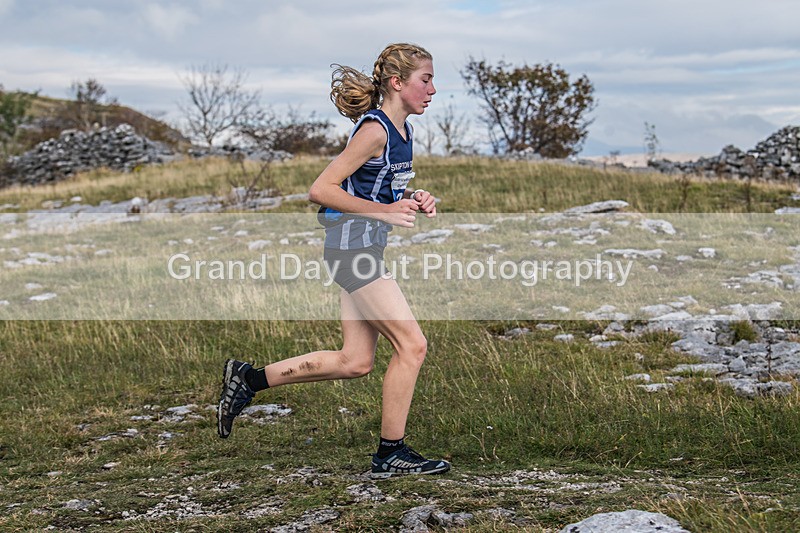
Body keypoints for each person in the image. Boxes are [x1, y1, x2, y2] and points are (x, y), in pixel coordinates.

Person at [217, 43, 449, 479]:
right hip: (352, 252)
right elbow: (321, 188)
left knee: (355, 361)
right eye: (426, 79)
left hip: (361, 249)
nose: (433, 89)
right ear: (398, 84)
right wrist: (384, 212)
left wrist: (411, 198)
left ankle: (248, 380)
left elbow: (372, 190)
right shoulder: (375, 130)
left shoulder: (403, 132)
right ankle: (390, 454)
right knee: (412, 346)